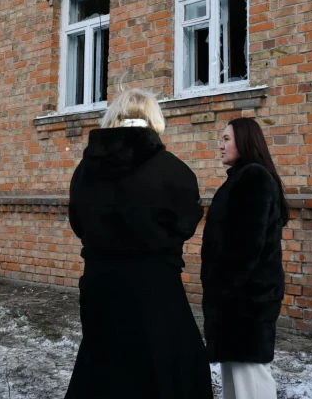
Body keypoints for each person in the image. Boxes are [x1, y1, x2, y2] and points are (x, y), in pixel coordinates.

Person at [65, 89, 213, 399]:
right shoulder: (172, 168)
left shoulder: (84, 170)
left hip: (100, 285)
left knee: (104, 369)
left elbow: (78, 221)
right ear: (153, 118)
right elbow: (185, 222)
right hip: (155, 286)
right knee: (162, 371)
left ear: (113, 117)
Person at [201, 118, 290, 399]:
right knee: (235, 373)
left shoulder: (253, 178)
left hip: (246, 299)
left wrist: (225, 289)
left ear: (245, 141)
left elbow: (246, 245)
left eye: (226, 139)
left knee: (249, 377)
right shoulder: (243, 177)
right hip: (238, 298)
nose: (221, 145)